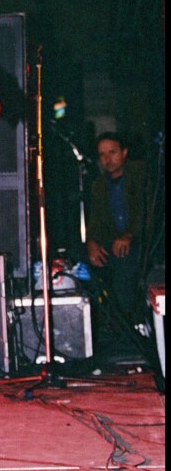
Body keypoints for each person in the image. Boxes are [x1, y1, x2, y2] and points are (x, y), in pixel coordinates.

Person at [86, 132, 145, 326]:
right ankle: (100, 323)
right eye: (102, 154)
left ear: (124, 152)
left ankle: (127, 326)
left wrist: (129, 235)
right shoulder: (99, 185)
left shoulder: (140, 174)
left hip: (141, 241)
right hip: (114, 244)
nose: (107, 159)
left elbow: (146, 212)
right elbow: (95, 221)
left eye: (112, 152)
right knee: (80, 264)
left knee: (124, 264)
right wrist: (92, 243)